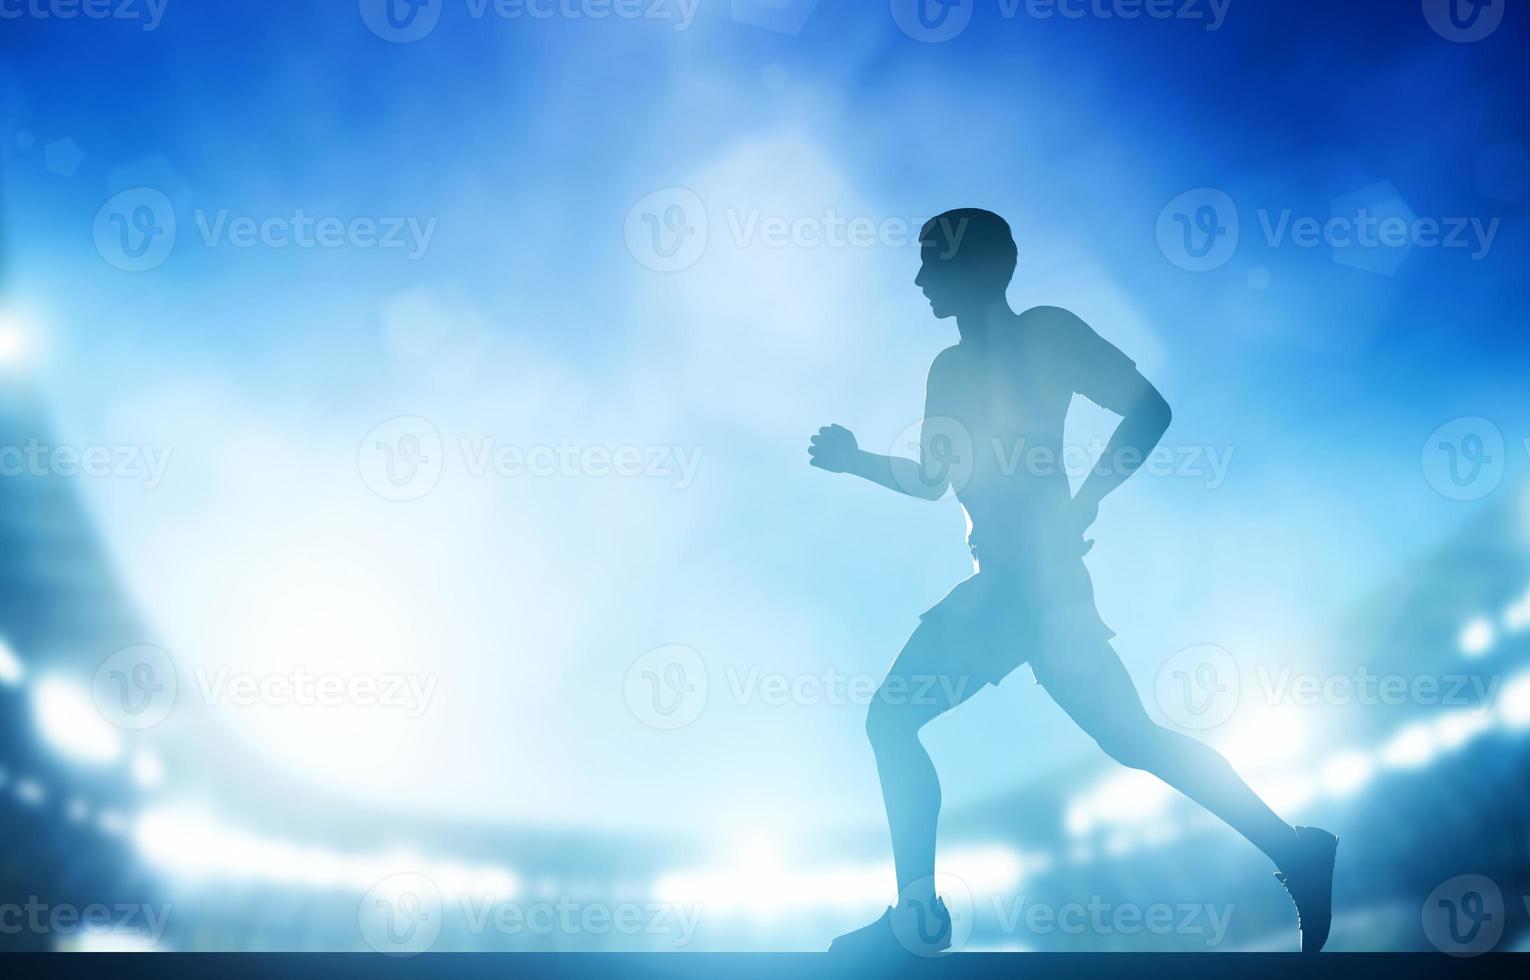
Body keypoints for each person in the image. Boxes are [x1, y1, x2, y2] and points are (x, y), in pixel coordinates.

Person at [808, 208, 1336, 956]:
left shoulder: (1045, 336)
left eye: (933, 263)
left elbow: (1149, 408)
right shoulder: (951, 370)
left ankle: (917, 922)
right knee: (1135, 739)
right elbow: (933, 480)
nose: (920, 279)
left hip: (1026, 591)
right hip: (1026, 589)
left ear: (976, 270)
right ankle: (1294, 849)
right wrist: (856, 458)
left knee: (894, 722)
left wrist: (1085, 500)